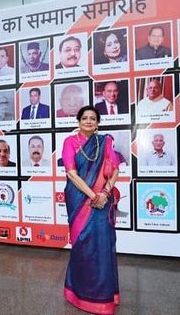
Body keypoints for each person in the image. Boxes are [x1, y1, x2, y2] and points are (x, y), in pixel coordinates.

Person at [62, 105, 120, 314]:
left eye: (93, 118)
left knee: (103, 245)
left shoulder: (105, 142)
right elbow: (71, 173)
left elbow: (115, 171)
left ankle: (104, 297)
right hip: (80, 199)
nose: (88, 121)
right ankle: (78, 294)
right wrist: (93, 195)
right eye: (85, 118)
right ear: (78, 121)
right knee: (83, 246)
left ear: (97, 123)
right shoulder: (70, 142)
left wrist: (104, 193)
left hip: (103, 200)